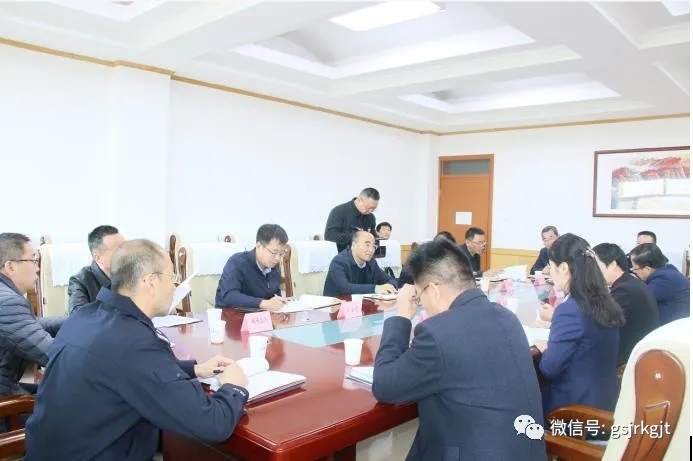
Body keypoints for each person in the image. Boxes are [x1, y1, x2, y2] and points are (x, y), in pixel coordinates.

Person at [25, 239, 250, 460]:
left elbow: (126, 372)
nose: (175, 287)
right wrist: (234, 387)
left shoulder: (85, 316)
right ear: (151, 282)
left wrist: (195, 369)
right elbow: (213, 424)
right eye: (172, 278)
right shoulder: (134, 342)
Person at [371, 238, 545, 461]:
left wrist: (402, 316)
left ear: (433, 291)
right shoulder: (507, 317)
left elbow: (385, 386)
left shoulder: (437, 333)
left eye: (420, 296)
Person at [536, 234, 624, 418]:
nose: (550, 273)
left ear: (563, 268)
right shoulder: (604, 300)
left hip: (573, 410)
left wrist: (546, 349)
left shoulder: (570, 310)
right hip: (605, 401)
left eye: (551, 267)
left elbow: (549, 368)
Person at [0, 233, 63, 398]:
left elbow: (31, 324)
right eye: (33, 260)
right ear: (10, 267)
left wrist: (77, 321)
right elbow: (52, 354)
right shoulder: (8, 302)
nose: (38, 268)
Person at [593, 243, 659, 366]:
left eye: (596, 266)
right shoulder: (629, 282)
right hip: (638, 352)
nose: (593, 272)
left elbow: (600, 321)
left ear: (612, 264)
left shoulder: (624, 290)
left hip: (630, 360)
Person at [216, 224, 291, 310]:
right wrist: (262, 303)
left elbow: (274, 293)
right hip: (230, 314)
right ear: (259, 246)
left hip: (259, 315)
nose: (277, 258)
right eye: (274, 252)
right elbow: (229, 296)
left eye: (281, 254)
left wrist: (281, 301)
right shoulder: (237, 262)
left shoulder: (273, 266)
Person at [68, 225, 125, 313]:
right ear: (98, 257)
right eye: (118, 251)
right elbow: (78, 316)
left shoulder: (132, 274)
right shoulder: (80, 281)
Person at [323, 230, 397, 297]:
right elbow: (345, 288)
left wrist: (390, 286)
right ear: (354, 245)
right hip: (337, 304)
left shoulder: (372, 263)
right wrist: (376, 288)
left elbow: (390, 280)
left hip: (362, 304)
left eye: (374, 246)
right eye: (367, 245)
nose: (371, 250)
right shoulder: (339, 262)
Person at [629, 243, 689, 325]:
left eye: (635, 268)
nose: (634, 272)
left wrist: (632, 283)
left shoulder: (664, 280)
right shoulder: (668, 270)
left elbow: (638, 301)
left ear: (647, 269)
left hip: (676, 328)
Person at [324, 188, 379, 252]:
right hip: (342, 254)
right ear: (359, 200)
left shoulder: (371, 217)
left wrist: (378, 238)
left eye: (374, 208)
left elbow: (373, 237)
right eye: (368, 207)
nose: (371, 211)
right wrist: (356, 237)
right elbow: (329, 236)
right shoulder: (339, 211)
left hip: (365, 255)